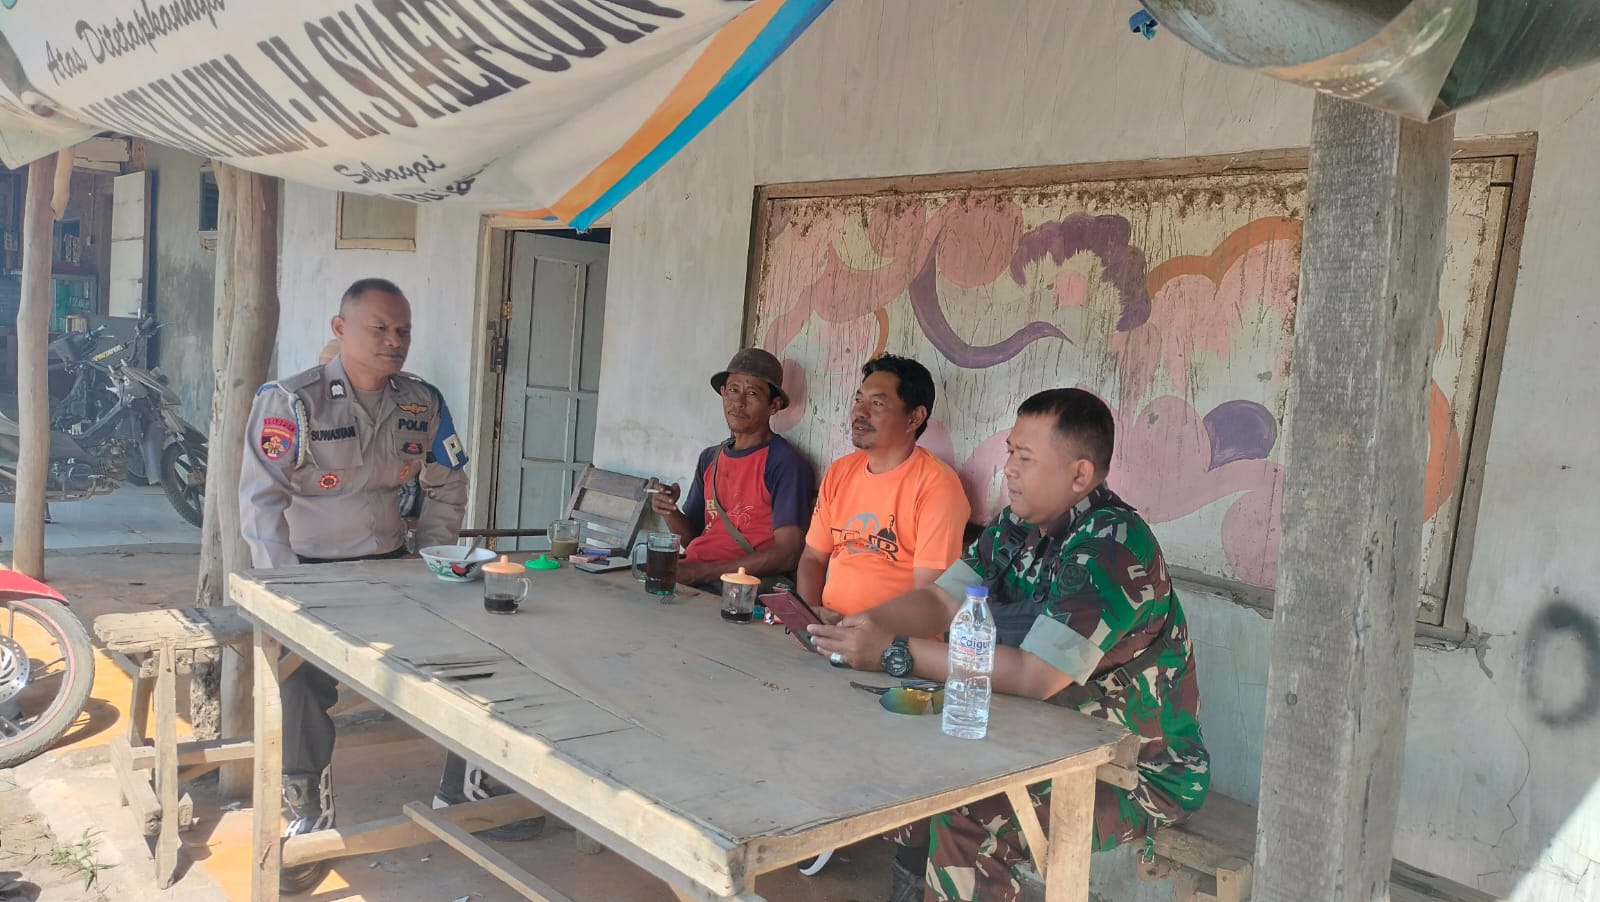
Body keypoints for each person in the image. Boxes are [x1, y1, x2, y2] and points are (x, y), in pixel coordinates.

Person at [809, 388, 1210, 902]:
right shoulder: (1017, 526)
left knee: (970, 818)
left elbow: (1034, 676)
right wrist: (860, 626)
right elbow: (940, 600)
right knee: (908, 783)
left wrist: (894, 651)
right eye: (1009, 453)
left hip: (1135, 771)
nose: (1009, 469)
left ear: (1079, 475)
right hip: (1040, 742)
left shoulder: (1110, 544)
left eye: (1025, 457)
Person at [240, 278, 536, 893]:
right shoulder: (291, 402)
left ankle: (466, 787)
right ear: (340, 328)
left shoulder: (421, 402)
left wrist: (432, 558)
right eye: (379, 328)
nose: (394, 341)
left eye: (403, 330)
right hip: (310, 573)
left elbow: (448, 480)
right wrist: (285, 593)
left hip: (395, 566)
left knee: (477, 654)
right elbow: (261, 504)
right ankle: (307, 809)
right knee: (298, 682)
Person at [796, 354, 970, 619]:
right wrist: (808, 618)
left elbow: (931, 597)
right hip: (829, 629)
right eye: (859, 400)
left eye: (877, 403)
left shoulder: (937, 486)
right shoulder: (840, 472)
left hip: (896, 637)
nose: (859, 412)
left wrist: (866, 630)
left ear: (914, 418)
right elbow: (813, 558)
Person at [648, 348, 814, 589]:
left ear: (774, 405)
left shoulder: (783, 463)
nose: (739, 402)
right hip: (696, 574)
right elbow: (694, 539)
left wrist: (705, 573)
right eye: (733, 390)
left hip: (740, 587)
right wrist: (669, 510)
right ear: (723, 393)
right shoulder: (710, 458)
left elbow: (788, 554)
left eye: (752, 393)